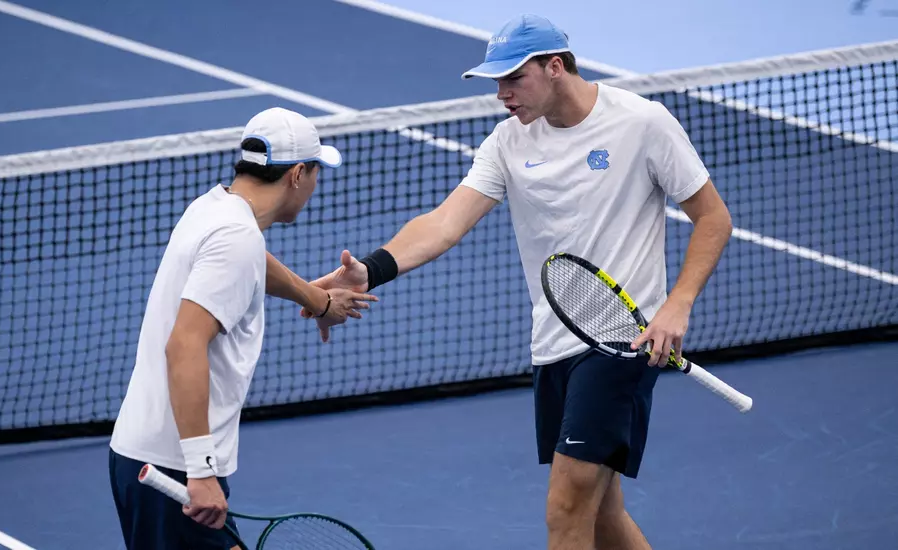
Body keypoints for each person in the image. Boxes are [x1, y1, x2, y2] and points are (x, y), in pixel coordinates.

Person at [305, 14, 733, 550]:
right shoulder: (508, 141)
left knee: (565, 509)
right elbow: (444, 222)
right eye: (497, 81)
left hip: (623, 340)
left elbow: (713, 218)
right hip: (553, 344)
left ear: (555, 67)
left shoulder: (643, 123)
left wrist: (678, 305)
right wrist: (371, 269)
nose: (502, 94)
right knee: (602, 515)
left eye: (513, 78)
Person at [108, 107, 377, 550]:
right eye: (315, 172)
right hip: (174, 467)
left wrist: (319, 300)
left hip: (150, 454)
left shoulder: (215, 207)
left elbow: (253, 261)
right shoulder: (237, 237)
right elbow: (184, 345)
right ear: (297, 174)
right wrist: (200, 470)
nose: (315, 185)